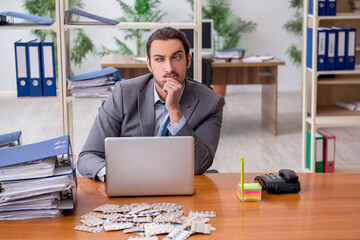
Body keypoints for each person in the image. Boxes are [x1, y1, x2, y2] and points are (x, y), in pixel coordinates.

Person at [77, 27, 225, 182]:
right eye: (159, 59)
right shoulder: (123, 94)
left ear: (188, 60)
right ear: (149, 64)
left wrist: (175, 112)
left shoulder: (211, 102)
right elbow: (88, 157)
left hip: (177, 185)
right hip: (128, 184)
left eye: (176, 57)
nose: (169, 68)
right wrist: (113, 174)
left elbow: (199, 165)